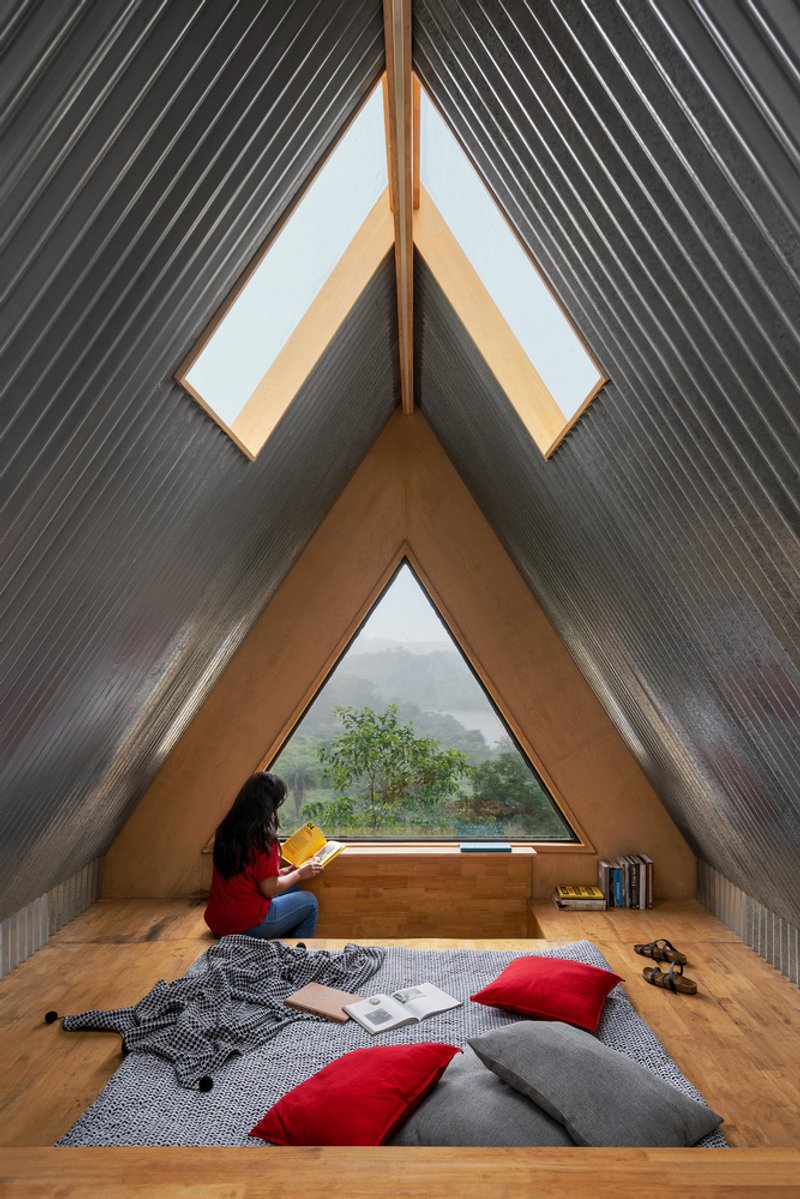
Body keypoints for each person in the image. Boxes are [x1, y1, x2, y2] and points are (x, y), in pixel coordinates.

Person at [204, 771, 322, 940]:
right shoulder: (263, 838)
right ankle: (295, 952)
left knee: (294, 889)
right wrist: (300, 874)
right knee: (310, 902)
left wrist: (282, 873)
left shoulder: (227, 829)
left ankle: (276, 942)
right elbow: (269, 889)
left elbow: (245, 876)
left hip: (217, 921)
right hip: (244, 926)